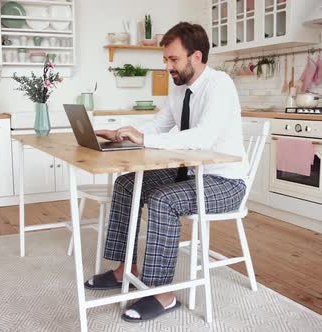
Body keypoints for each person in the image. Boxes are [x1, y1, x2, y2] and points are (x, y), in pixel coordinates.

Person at [85, 22, 249, 322]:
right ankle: (125, 269)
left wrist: (145, 139)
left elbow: (201, 138)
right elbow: (158, 126)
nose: (168, 66)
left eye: (173, 59)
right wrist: (124, 133)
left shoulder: (220, 84)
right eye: (166, 60)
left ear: (196, 56)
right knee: (126, 183)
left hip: (225, 182)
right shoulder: (179, 89)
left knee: (164, 199)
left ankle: (163, 294)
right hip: (191, 174)